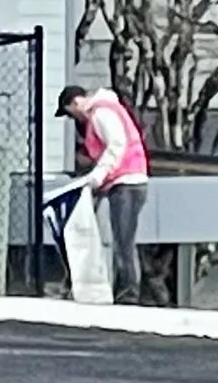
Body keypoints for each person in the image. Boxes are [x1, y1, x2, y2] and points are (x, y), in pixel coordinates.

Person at [56, 82, 150, 306]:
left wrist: (97, 175)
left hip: (126, 181)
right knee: (122, 240)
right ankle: (123, 292)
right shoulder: (108, 108)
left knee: (123, 242)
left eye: (70, 113)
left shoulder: (100, 113)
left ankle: (128, 294)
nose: (74, 120)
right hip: (129, 180)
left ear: (76, 103)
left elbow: (116, 144)